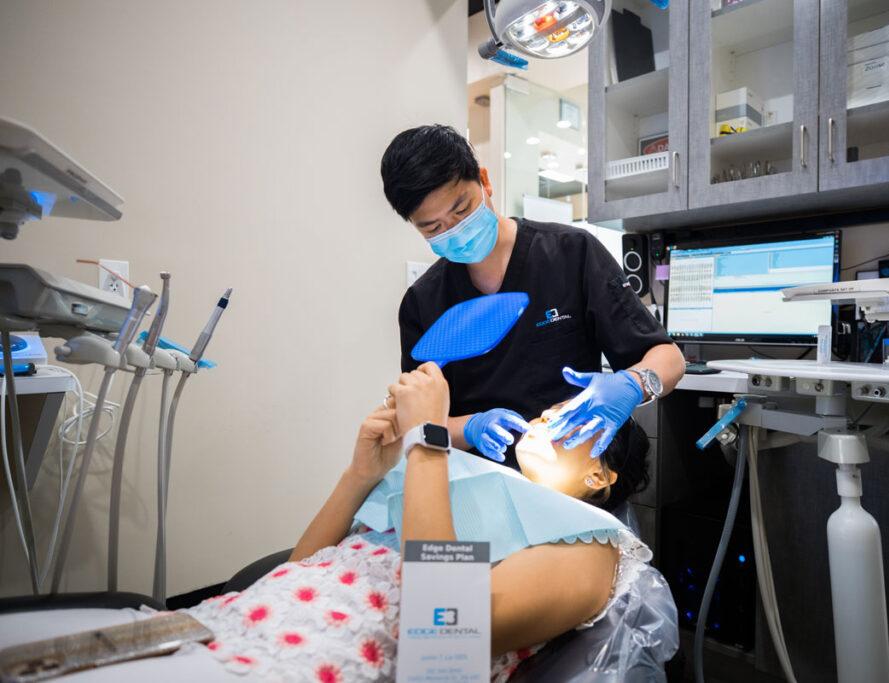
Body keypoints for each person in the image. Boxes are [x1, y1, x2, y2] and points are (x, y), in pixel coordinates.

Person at [0, 364, 671, 683]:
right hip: (225, 627)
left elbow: (443, 631)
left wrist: (429, 441)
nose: (546, 417)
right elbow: (300, 574)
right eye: (550, 409)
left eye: (571, 418)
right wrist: (360, 473)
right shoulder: (474, 492)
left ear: (601, 476)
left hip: (299, 667)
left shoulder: (589, 546)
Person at [381, 125, 685, 464]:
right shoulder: (423, 302)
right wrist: (470, 428)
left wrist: (633, 383)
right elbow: (419, 422)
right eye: (434, 228)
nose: (455, 231)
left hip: (573, 475)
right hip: (483, 482)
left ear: (484, 180)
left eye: (462, 210)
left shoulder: (572, 254)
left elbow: (669, 358)